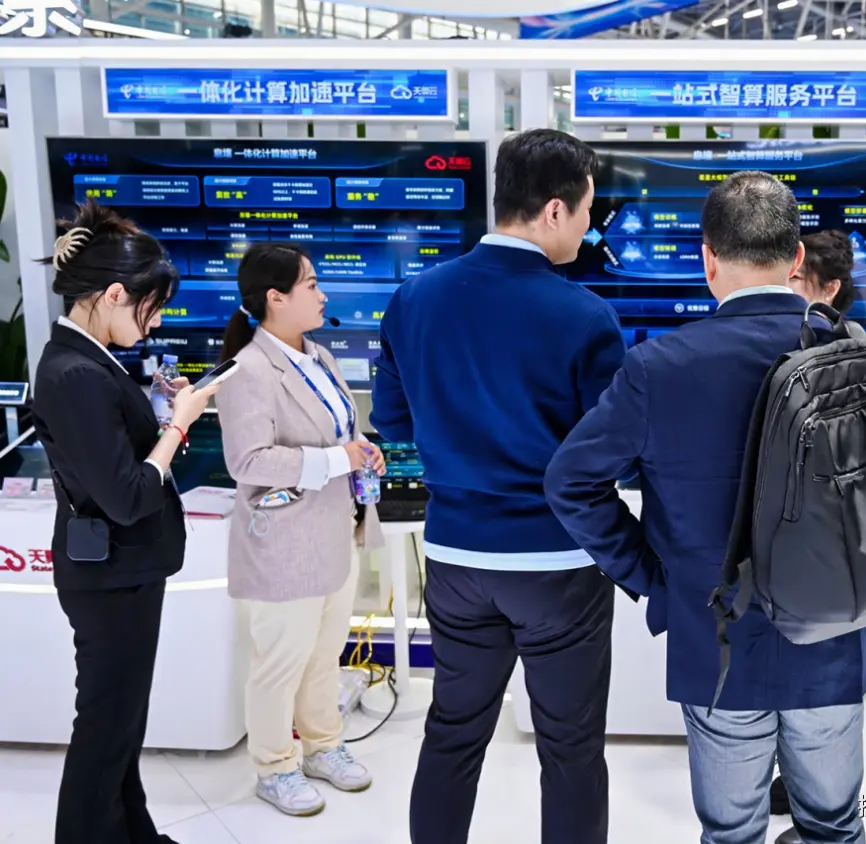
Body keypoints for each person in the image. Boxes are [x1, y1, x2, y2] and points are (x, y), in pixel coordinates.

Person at [545, 172, 866, 844]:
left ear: (707, 258)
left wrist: (650, 575)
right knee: (834, 828)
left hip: (716, 633)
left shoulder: (659, 366)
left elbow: (570, 481)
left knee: (730, 833)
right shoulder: (863, 356)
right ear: (796, 257)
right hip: (834, 633)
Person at [371, 128, 626, 844]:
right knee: (570, 747)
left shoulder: (414, 298)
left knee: (452, 732)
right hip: (557, 565)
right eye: (587, 211)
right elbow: (611, 450)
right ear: (554, 210)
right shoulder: (585, 315)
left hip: (455, 556)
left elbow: (393, 419)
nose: (589, 227)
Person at [32, 201, 218, 844]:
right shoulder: (75, 372)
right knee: (106, 729)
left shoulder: (88, 361)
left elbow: (117, 463)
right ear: (114, 294)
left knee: (121, 725)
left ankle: (134, 833)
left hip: (121, 569)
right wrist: (179, 424)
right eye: (151, 307)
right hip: (110, 574)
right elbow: (130, 494)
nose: (156, 321)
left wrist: (161, 416)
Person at [215, 243, 385, 817]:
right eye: (311, 284)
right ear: (276, 297)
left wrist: (362, 452)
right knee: (280, 662)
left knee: (324, 655)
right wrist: (339, 459)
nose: (323, 295)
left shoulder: (321, 357)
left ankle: (322, 746)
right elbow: (248, 461)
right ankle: (274, 766)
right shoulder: (248, 370)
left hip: (333, 531)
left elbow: (341, 433)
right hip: (283, 544)